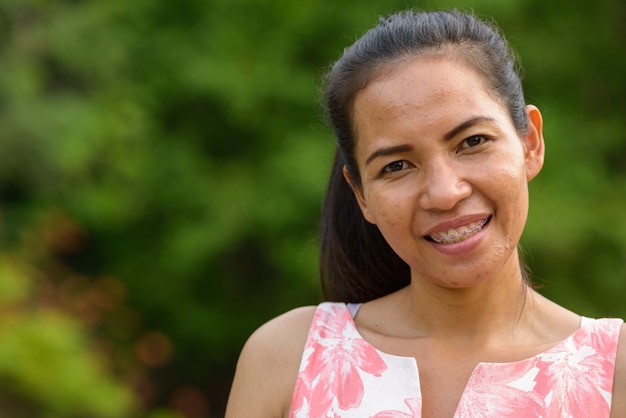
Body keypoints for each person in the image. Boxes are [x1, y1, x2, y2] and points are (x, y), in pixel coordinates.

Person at [225, 9, 626, 417]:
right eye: (396, 166)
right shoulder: (287, 359)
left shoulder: (615, 373)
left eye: (472, 141)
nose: (444, 193)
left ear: (530, 143)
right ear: (361, 195)